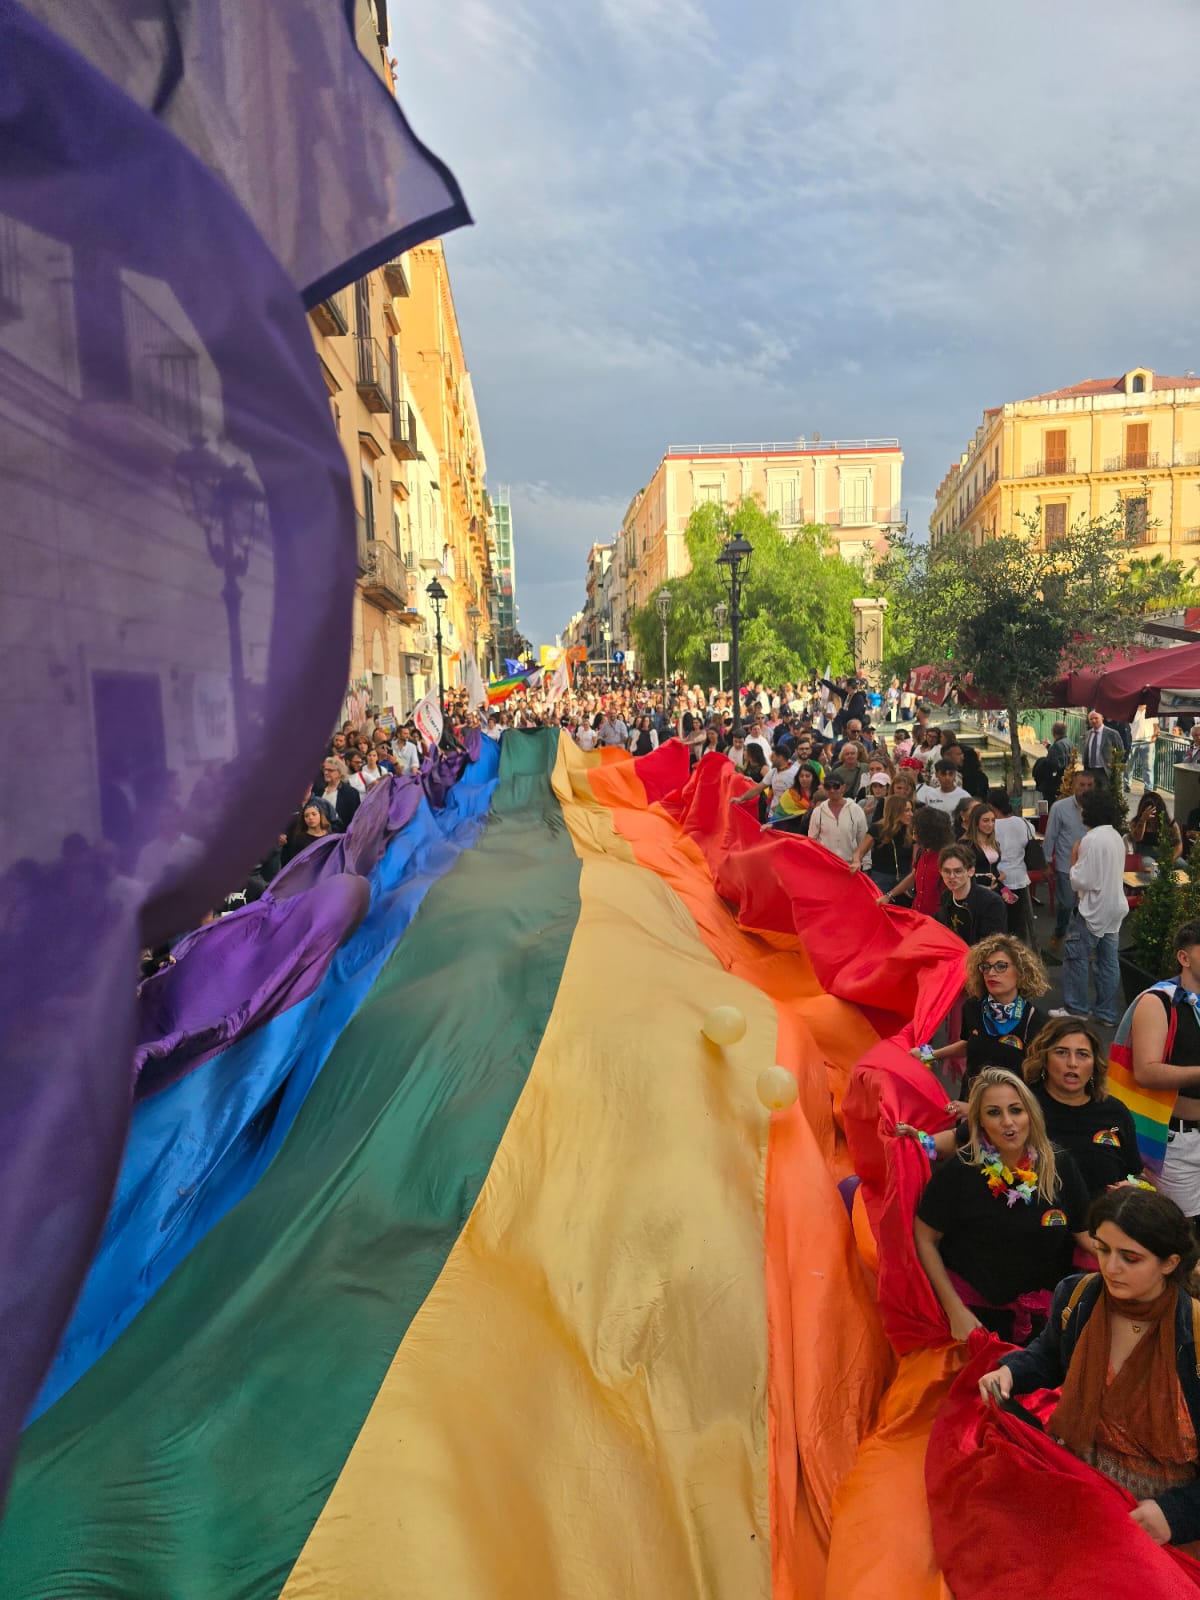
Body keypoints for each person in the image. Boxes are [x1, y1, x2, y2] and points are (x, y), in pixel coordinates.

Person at [980, 1188, 1200, 1550]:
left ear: (1170, 1262)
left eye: (1130, 1258)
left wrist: (1176, 1515)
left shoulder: (1192, 1333)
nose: (1111, 1267)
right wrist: (1011, 1372)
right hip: (1076, 1476)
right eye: (1103, 1249)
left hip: (1155, 1518)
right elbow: (1048, 1356)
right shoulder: (1077, 1297)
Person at [914, 1068, 1091, 1344]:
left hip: (1042, 1320)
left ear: (1030, 1114)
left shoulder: (1059, 1164)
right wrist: (955, 1310)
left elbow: (1085, 1234)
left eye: (1016, 1110)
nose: (1008, 1122)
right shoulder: (961, 1170)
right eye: (994, 1113)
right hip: (974, 1320)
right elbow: (925, 1238)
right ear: (980, 1122)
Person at [912, 933, 1050, 1103]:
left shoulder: (1037, 1022)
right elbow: (970, 1042)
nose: (991, 973)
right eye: (986, 967)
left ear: (1021, 973)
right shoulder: (973, 1007)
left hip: (1009, 1113)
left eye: (1001, 966)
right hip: (971, 1099)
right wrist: (929, 1054)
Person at [1022, 1016, 1142, 1197]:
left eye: (1082, 1054)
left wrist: (1133, 1186)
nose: (1072, 1063)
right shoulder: (1022, 1106)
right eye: (1061, 1052)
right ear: (1044, 1059)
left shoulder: (1115, 1113)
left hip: (1101, 1221)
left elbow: (1135, 1173)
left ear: (1094, 1063)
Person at [1129, 921, 1200, 1221]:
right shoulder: (1158, 1000)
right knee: (1182, 1231)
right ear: (1184, 958)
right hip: (1178, 1142)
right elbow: (1146, 1072)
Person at [1056, 788, 1127, 1026]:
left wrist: (1074, 859)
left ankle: (1076, 1008)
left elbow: (1081, 880)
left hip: (1094, 908)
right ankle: (1107, 1013)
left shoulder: (1091, 840)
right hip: (1114, 906)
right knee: (1108, 961)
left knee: (1076, 956)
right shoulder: (1115, 836)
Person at [1044, 769, 1096, 949]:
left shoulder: (1098, 808)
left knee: (1087, 907)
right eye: (1082, 785)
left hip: (1091, 867)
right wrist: (1047, 863)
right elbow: (1050, 835)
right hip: (1066, 866)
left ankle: (1081, 941)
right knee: (1066, 904)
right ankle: (1060, 932)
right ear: (1074, 786)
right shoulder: (1060, 808)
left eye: (1089, 785)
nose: (1086, 789)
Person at [881, 804, 954, 913]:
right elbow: (914, 876)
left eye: (917, 829)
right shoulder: (922, 851)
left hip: (939, 920)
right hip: (918, 914)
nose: (913, 832)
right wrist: (889, 895)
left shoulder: (950, 856)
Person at [936, 842, 1007, 945]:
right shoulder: (946, 896)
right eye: (947, 871)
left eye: (958, 871)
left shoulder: (991, 903)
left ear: (971, 871)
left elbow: (992, 946)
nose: (951, 876)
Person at [990, 788, 1037, 945]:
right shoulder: (1024, 823)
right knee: (1019, 922)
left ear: (991, 807)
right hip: (1020, 878)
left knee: (1001, 922)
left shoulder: (991, 827)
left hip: (1000, 881)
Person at [850, 795, 913, 894]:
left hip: (905, 878)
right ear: (896, 811)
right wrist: (856, 861)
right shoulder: (877, 829)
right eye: (907, 810)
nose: (911, 814)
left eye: (911, 810)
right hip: (882, 878)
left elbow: (915, 859)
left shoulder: (911, 831)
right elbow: (859, 852)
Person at [807, 773, 868, 862]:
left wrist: (866, 864)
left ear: (843, 788)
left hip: (850, 866)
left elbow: (863, 840)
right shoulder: (818, 811)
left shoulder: (856, 810)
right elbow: (812, 841)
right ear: (824, 789)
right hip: (825, 864)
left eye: (836, 786)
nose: (832, 790)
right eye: (828, 787)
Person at [1129, 790, 1183, 870]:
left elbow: (1178, 846)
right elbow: (1137, 838)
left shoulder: (1170, 823)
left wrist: (1170, 860)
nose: (1152, 817)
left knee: (1184, 866)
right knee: (1153, 869)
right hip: (1145, 854)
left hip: (1165, 853)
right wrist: (1143, 820)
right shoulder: (1136, 822)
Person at [962, 803, 1002, 893]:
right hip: (976, 891)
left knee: (1015, 902)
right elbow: (962, 873)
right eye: (986, 820)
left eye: (993, 820)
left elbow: (995, 873)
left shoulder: (994, 843)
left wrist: (1007, 893)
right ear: (976, 822)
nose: (990, 824)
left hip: (995, 890)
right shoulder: (965, 845)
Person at [281, 800, 335, 865]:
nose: (310, 818)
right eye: (306, 816)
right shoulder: (299, 839)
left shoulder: (330, 836)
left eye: (314, 814)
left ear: (320, 816)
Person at [316, 757, 360, 831]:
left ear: (340, 773)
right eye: (325, 769)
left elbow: (354, 819)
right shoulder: (318, 790)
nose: (326, 772)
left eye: (330, 770)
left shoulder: (351, 793)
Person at [1082, 709, 1124, 785]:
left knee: (1103, 794)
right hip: (1090, 771)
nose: (1093, 721)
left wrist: (1114, 765)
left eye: (1096, 718)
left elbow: (1120, 751)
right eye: (1091, 719)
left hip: (1104, 772)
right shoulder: (1087, 734)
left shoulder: (1112, 733)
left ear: (1102, 718)